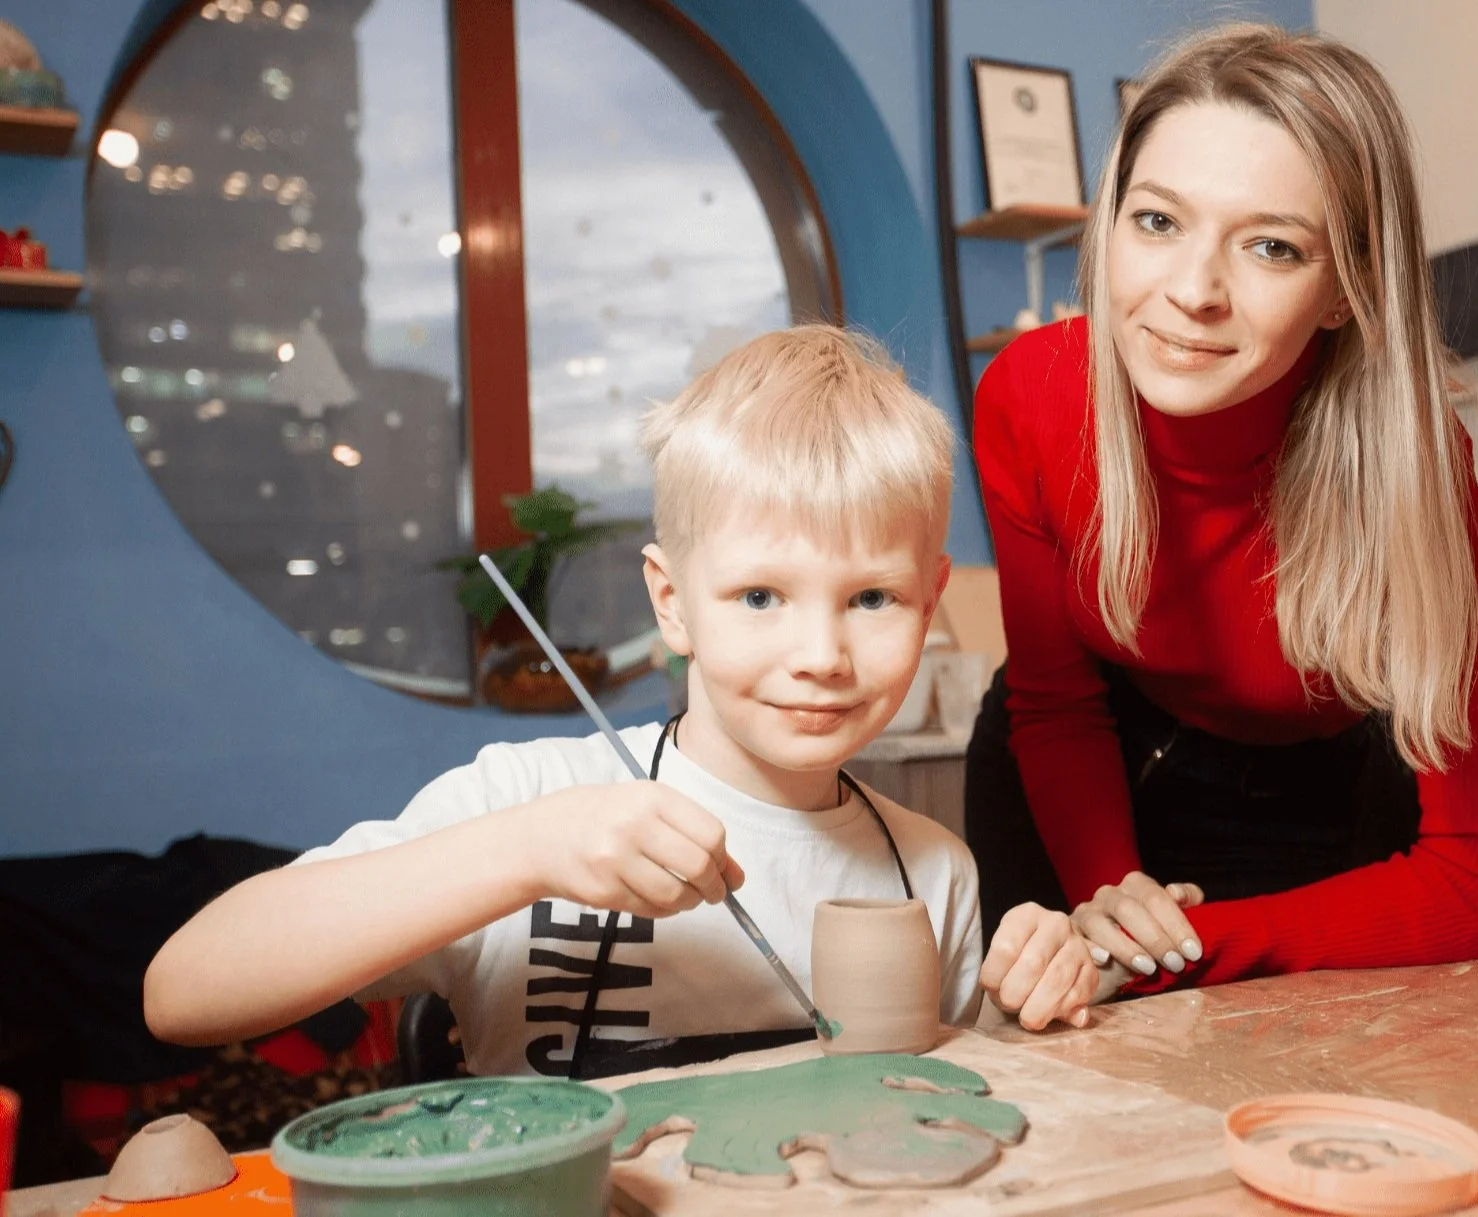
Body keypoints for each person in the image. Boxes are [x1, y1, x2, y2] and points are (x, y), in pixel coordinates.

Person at [144, 325, 1092, 1079]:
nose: (821, 656)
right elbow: (183, 992)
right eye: (760, 596)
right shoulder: (536, 797)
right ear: (671, 602)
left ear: (931, 602)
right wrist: (523, 853)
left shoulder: (936, 872)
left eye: (871, 598)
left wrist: (1028, 999)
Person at [966, 22, 1478, 1005]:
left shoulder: (1414, 467)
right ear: (1107, 222)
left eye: (1271, 247)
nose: (1191, 291)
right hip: (1082, 771)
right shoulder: (1028, 398)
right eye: (1156, 222)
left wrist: (1175, 947)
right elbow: (1058, 703)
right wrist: (1112, 895)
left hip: (1313, 795)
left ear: (1344, 290)